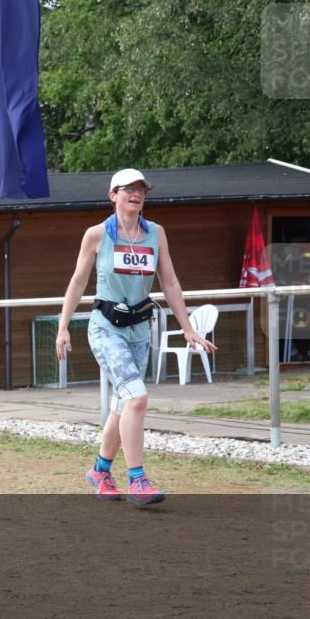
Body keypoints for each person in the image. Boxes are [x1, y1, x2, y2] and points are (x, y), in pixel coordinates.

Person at [56, 168, 217, 506]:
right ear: (112, 195)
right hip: (105, 327)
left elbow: (170, 282)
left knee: (123, 405)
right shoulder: (97, 235)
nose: (136, 193)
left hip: (140, 329)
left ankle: (100, 470)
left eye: (141, 188)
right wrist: (63, 326)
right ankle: (138, 479)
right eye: (127, 188)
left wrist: (188, 328)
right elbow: (77, 281)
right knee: (137, 398)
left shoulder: (156, 234)